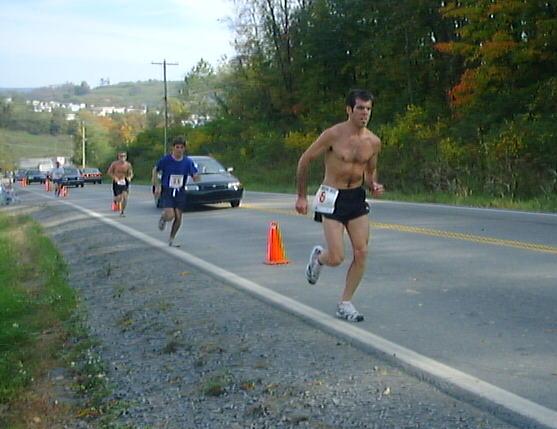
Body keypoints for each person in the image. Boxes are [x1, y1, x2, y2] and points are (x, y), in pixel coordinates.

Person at [295, 89, 384, 322]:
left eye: (368, 109)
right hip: (331, 196)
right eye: (360, 108)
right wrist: (302, 196)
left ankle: (345, 303)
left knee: (361, 252)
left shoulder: (373, 142)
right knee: (336, 257)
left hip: (355, 197)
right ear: (349, 110)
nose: (365, 113)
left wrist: (373, 185)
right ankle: (319, 259)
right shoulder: (333, 135)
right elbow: (305, 160)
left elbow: (370, 172)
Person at [152, 136, 199, 247]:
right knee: (170, 215)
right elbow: (155, 170)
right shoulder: (166, 160)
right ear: (173, 148)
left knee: (178, 217)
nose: (179, 150)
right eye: (177, 147)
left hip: (180, 191)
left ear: (184, 149)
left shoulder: (188, 162)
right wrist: (157, 185)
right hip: (167, 190)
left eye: (181, 147)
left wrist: (196, 177)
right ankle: (164, 218)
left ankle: (171, 239)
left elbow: (195, 175)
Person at [107, 152, 134, 216]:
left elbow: (130, 173)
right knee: (118, 198)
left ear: (126, 157)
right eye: (121, 156)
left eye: (124, 156)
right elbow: (109, 172)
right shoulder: (114, 164)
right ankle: (115, 201)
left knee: (125, 197)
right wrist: (115, 178)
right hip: (117, 182)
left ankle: (122, 212)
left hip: (124, 182)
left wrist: (129, 177)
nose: (122, 158)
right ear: (118, 157)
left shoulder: (128, 165)